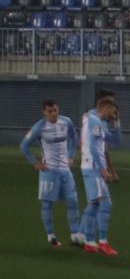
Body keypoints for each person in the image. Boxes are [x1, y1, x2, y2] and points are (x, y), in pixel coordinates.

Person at [21, 98, 84, 249]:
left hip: (65, 170)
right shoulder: (39, 127)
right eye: (50, 111)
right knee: (47, 204)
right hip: (48, 172)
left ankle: (75, 235)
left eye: (55, 110)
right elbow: (24, 146)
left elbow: (73, 137)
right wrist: (35, 163)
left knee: (73, 201)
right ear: (44, 112)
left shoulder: (66, 121)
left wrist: (70, 155)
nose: (53, 114)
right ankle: (51, 236)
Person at [80, 92, 121, 256]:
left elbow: (116, 142)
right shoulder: (94, 120)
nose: (115, 114)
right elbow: (92, 148)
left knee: (95, 204)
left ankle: (89, 242)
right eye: (114, 110)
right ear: (105, 107)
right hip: (93, 167)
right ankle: (102, 242)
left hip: (92, 167)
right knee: (106, 203)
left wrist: (117, 122)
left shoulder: (99, 122)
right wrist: (104, 170)